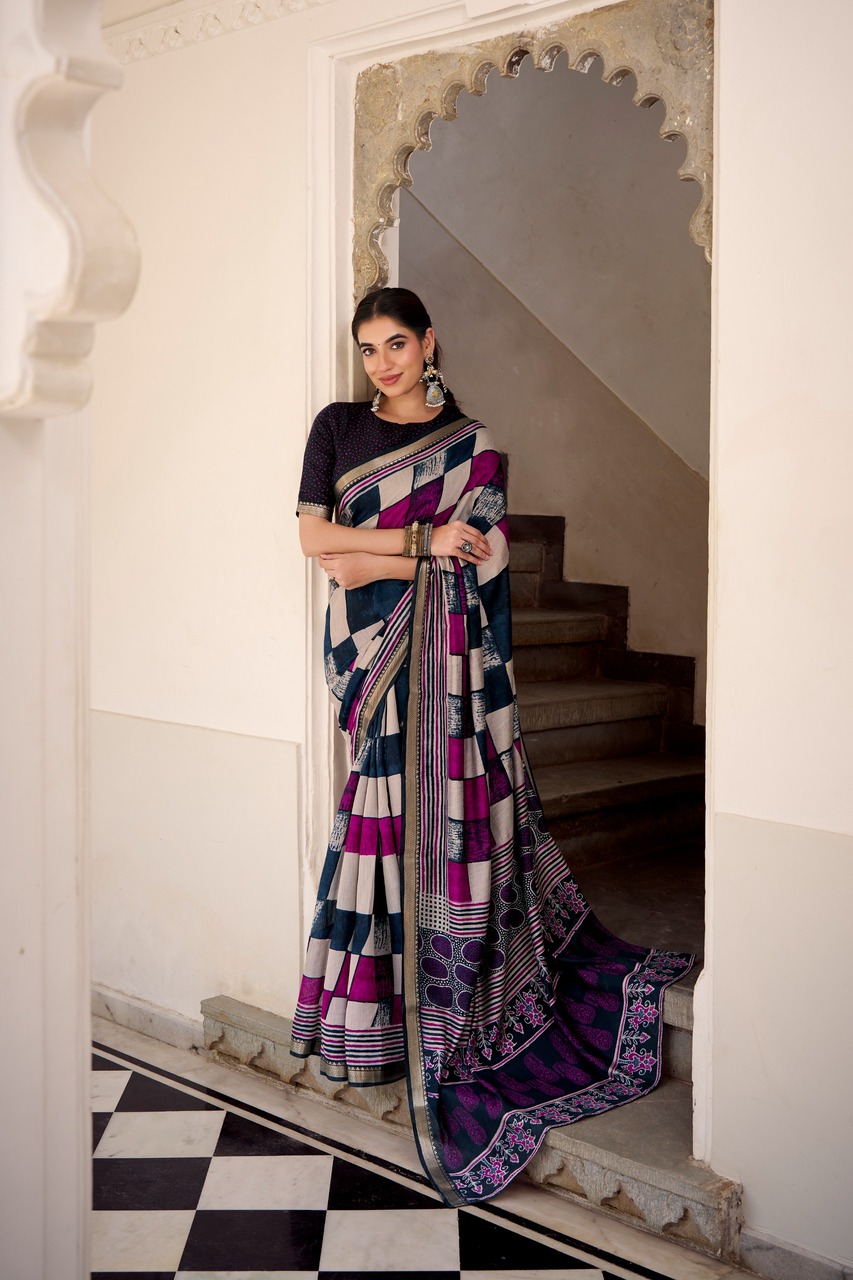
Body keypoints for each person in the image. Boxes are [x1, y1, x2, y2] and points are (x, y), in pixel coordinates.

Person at [291, 287, 693, 1207]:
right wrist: (425, 541)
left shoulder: (470, 447)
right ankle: (368, 1020)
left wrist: (382, 553)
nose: (382, 363)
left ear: (429, 342)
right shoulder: (337, 427)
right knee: (377, 815)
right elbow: (317, 543)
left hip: (444, 665)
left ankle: (430, 1011)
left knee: (431, 827)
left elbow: (470, 558)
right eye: (368, 349)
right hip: (369, 658)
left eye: (397, 344)